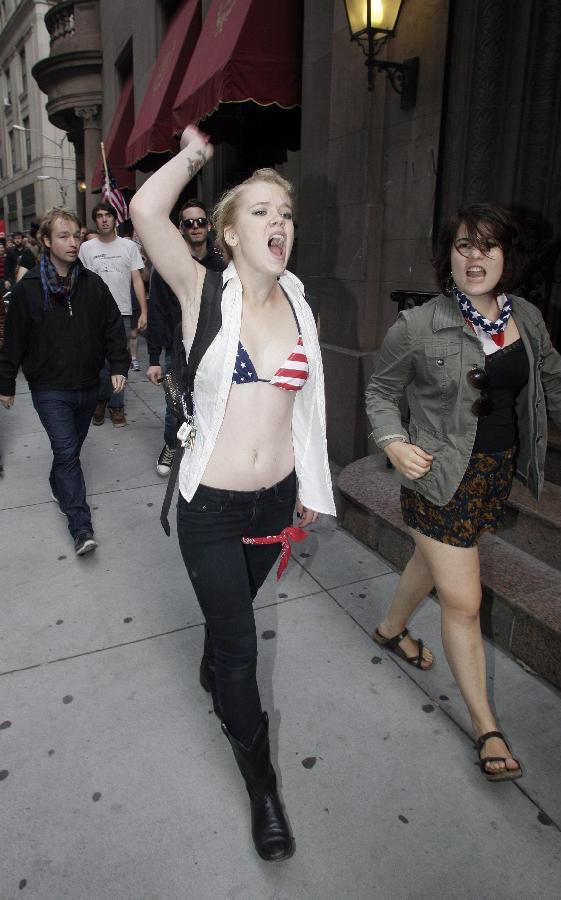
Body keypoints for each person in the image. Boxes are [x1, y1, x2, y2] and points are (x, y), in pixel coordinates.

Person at [365, 203, 561, 782]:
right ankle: (487, 728)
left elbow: (558, 385)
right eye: (464, 245)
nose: (477, 256)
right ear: (448, 257)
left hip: (491, 475)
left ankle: (390, 630)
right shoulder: (418, 325)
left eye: (488, 245)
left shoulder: (527, 319)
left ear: (506, 256)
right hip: (436, 477)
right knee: (463, 602)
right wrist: (391, 442)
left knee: (429, 557)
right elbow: (380, 391)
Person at [130, 125, 335, 861]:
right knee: (242, 653)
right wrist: (190, 158)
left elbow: (306, 409)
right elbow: (147, 215)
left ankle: (216, 656)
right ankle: (263, 790)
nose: (278, 224)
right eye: (260, 212)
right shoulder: (199, 292)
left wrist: (309, 487)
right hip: (210, 510)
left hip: (274, 503)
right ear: (226, 231)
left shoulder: (302, 306)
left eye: (285, 213)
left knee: (232, 624)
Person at [0, 208, 129, 554]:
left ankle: (58, 482)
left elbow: (113, 326)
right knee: (67, 451)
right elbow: (13, 340)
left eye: (76, 235)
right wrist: (6, 382)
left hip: (88, 384)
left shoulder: (91, 284)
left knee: (71, 449)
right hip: (49, 388)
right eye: (63, 236)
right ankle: (81, 526)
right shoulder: (29, 290)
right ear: (45, 241)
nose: (73, 243)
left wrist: (118, 363)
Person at [146, 198, 225, 477]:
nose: (195, 227)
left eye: (200, 221)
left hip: (215, 347)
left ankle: (191, 447)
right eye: (189, 223)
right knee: (176, 406)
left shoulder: (223, 265)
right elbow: (156, 312)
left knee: (207, 405)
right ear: (180, 228)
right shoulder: (166, 266)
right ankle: (172, 445)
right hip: (178, 351)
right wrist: (154, 358)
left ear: (209, 225)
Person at [79, 202, 148, 426]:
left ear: (114, 219)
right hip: (93, 315)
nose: (104, 219)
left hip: (123, 312)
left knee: (119, 361)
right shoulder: (86, 249)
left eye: (108, 215)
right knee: (98, 362)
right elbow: (80, 282)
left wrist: (143, 310)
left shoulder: (128, 247)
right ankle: (100, 401)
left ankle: (117, 406)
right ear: (95, 221)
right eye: (99, 216)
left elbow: (137, 279)